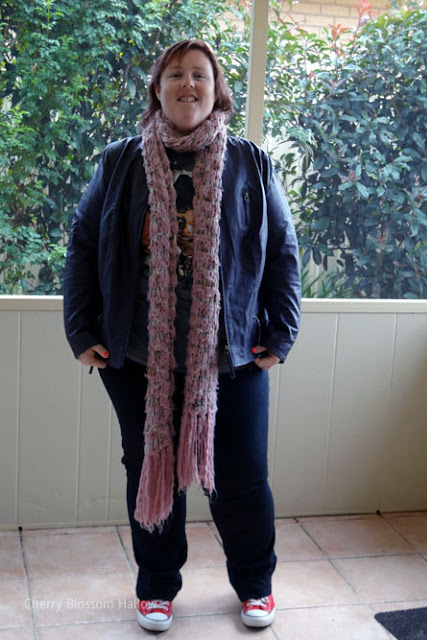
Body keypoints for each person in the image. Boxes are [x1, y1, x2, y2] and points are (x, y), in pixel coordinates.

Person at [63, 38, 301, 633]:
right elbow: (83, 244)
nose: (187, 84)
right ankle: (156, 586)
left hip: (232, 355)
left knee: (242, 476)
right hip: (137, 355)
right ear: (157, 88)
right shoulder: (120, 161)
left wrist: (282, 331)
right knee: (151, 468)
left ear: (216, 89)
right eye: (175, 74)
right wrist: (81, 328)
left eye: (200, 74)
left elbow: (282, 251)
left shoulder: (251, 162)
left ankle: (255, 583)